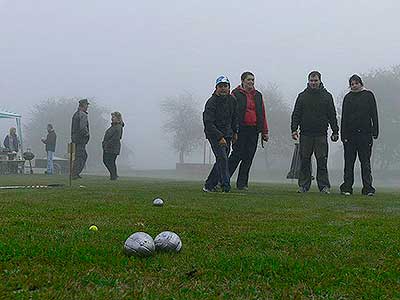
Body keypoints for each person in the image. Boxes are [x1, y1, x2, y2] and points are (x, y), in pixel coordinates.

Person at [291, 71, 339, 194]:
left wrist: (335, 131)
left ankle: (324, 186)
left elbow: (332, 114)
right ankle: (303, 186)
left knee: (322, 161)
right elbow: (296, 114)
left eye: (315, 80)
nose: (313, 83)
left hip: (321, 134)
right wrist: (294, 129)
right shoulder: (302, 96)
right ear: (308, 81)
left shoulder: (327, 96)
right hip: (306, 134)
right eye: (311, 80)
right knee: (305, 161)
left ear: (320, 81)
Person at [228, 72, 269, 191]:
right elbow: (231, 113)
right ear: (242, 81)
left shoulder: (258, 95)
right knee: (236, 156)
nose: (251, 82)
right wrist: (232, 130)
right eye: (248, 80)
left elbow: (262, 113)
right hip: (240, 129)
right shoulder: (235, 94)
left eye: (252, 80)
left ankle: (242, 183)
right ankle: (224, 179)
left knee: (248, 157)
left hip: (254, 129)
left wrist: (265, 131)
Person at [340, 74, 379, 196]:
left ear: (360, 83)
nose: (354, 86)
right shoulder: (347, 98)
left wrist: (375, 131)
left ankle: (368, 188)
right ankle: (347, 188)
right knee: (349, 163)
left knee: (365, 163)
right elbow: (344, 118)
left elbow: (374, 114)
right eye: (352, 84)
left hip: (365, 135)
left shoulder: (369, 95)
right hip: (350, 136)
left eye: (356, 83)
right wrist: (343, 135)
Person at [203, 75, 238, 193]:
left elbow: (234, 118)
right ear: (216, 88)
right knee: (222, 158)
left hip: (227, 134)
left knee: (222, 160)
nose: (223, 88)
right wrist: (219, 137)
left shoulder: (232, 100)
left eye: (225, 86)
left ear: (229, 88)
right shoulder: (211, 102)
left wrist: (235, 132)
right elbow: (208, 123)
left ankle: (209, 185)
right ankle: (225, 186)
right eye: (220, 86)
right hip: (214, 135)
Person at [71, 98, 90, 179]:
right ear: (84, 105)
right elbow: (83, 127)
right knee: (81, 156)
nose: (87, 107)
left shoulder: (76, 114)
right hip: (80, 139)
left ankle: (75, 173)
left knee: (80, 156)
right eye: (87, 105)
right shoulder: (82, 114)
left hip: (76, 138)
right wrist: (87, 134)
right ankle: (75, 173)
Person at [102, 111, 124, 180]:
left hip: (113, 147)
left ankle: (113, 175)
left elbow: (116, 138)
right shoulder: (113, 126)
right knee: (108, 161)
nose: (112, 118)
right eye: (112, 117)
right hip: (108, 146)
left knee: (109, 161)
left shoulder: (118, 127)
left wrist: (107, 144)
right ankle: (113, 175)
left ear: (118, 118)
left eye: (113, 117)